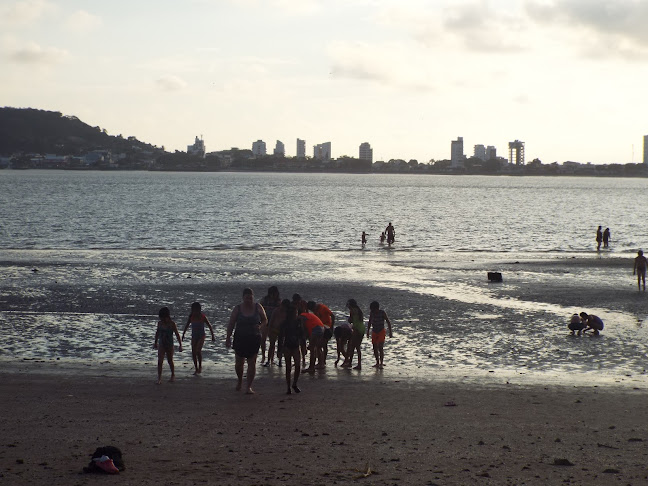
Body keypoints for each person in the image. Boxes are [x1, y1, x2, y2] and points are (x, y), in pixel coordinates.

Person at [226, 288, 268, 394]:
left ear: (253, 297)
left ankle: (248, 386)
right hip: (240, 338)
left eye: (250, 297)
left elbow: (265, 319)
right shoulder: (238, 309)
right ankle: (240, 380)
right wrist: (228, 337)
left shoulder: (258, 307)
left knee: (252, 362)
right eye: (247, 298)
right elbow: (231, 323)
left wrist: (260, 326)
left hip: (254, 338)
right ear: (243, 298)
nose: (249, 300)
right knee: (239, 363)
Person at [181, 302, 215, 375]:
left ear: (199, 310)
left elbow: (209, 326)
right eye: (193, 310)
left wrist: (212, 335)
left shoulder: (203, 317)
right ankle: (196, 368)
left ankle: (200, 367)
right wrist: (183, 335)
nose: (195, 312)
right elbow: (186, 326)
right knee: (193, 352)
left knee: (198, 350)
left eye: (196, 310)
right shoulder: (191, 317)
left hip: (201, 336)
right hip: (194, 336)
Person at [277, 303, 304, 394]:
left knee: (298, 365)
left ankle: (294, 384)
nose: (296, 315)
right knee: (288, 367)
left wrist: (303, 346)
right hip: (287, 346)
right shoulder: (284, 323)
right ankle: (288, 387)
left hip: (296, 345)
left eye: (297, 313)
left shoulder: (298, 322)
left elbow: (301, 335)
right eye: (295, 313)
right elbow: (280, 337)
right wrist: (279, 349)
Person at [153, 307, 182, 384]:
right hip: (162, 344)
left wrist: (180, 345)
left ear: (167, 317)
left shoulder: (172, 324)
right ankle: (159, 378)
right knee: (160, 361)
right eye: (161, 318)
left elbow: (177, 334)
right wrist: (155, 342)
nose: (162, 319)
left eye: (163, 318)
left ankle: (173, 375)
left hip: (169, 345)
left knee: (170, 360)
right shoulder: (160, 323)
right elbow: (157, 333)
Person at [366, 301, 393, 368]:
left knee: (380, 347)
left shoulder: (382, 313)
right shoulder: (372, 313)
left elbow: (388, 321)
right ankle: (377, 362)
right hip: (374, 331)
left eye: (373, 309)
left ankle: (381, 363)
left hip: (381, 331)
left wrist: (390, 332)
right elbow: (369, 322)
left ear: (376, 308)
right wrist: (368, 331)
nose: (373, 311)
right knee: (374, 347)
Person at [259, 286, 281, 366]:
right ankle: (263, 356)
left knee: (272, 342)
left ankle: (271, 358)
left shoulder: (278, 302)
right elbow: (260, 310)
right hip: (265, 321)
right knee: (263, 340)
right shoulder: (264, 300)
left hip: (274, 324)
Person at [342, 299, 365, 370]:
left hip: (357, 329)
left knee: (354, 346)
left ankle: (355, 364)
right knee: (355, 346)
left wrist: (349, 319)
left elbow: (351, 320)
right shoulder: (358, 310)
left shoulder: (353, 310)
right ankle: (354, 363)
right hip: (361, 328)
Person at [266, 298, 289, 366]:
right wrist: (269, 330)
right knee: (272, 345)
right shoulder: (276, 310)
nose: (283, 308)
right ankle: (269, 360)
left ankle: (280, 360)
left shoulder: (287, 312)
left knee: (281, 346)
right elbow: (271, 320)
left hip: (282, 331)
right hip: (274, 329)